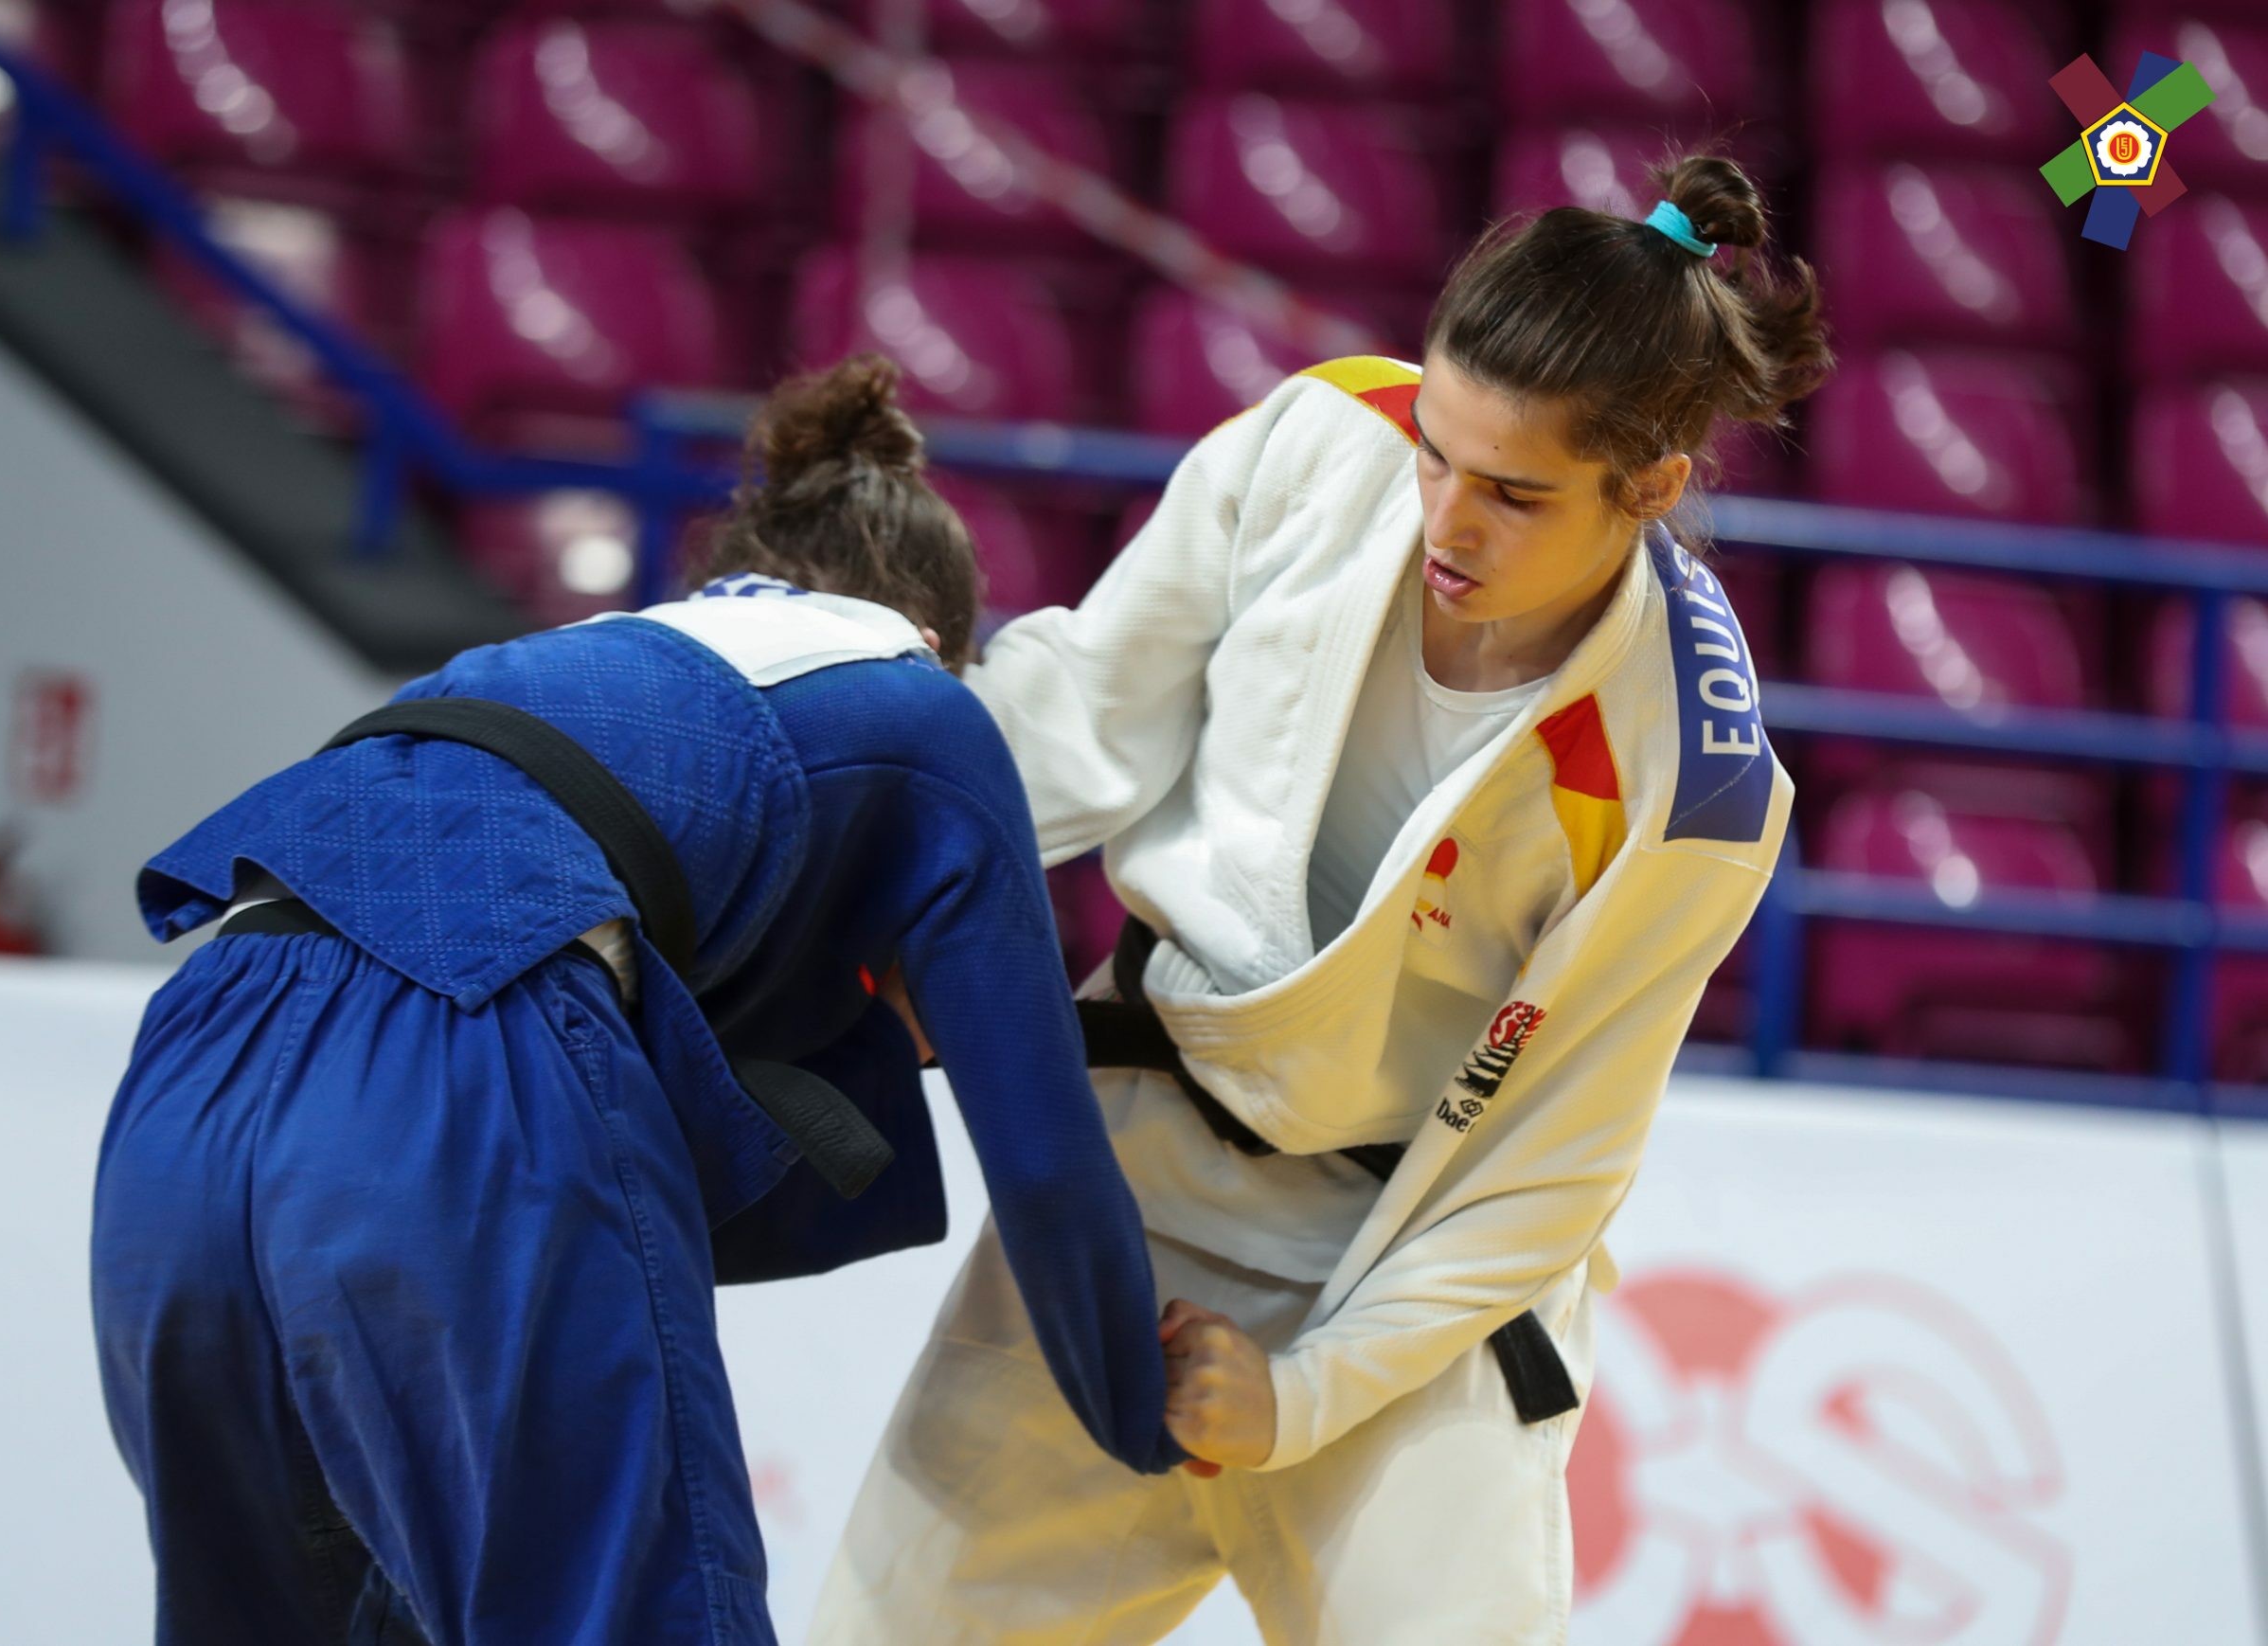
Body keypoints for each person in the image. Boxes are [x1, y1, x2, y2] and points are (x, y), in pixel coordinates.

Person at [815, 154, 1831, 1641]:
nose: (1446, 519)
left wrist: (1302, 1393)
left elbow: (1541, 1171)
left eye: (1514, 492)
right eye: (1438, 450)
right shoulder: (1323, 436)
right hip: (1135, 1175)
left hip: (1402, 1270)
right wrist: (870, 869)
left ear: (1655, 488)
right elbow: (1085, 714)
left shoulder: (1691, 776)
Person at [88, 355, 1185, 1646]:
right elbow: (1047, 1157)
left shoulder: (558, 658)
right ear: (944, 638)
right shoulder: (925, 705)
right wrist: (1143, 1405)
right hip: (461, 1042)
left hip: (189, 1066)